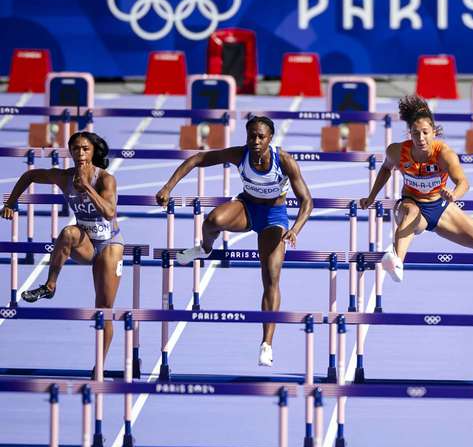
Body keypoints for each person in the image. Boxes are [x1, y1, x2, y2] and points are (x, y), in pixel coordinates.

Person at [155, 116, 313, 367]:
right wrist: (167, 187)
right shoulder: (240, 154)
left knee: (271, 276)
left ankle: (266, 344)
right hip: (247, 207)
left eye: (261, 137)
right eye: (252, 136)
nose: (256, 141)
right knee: (212, 220)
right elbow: (197, 159)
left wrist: (296, 228)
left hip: (274, 217)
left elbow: (307, 201)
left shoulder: (284, 160)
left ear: (271, 138)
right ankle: (205, 249)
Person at [1, 131, 124, 360]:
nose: (80, 153)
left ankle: (99, 364)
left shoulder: (105, 179)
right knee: (67, 232)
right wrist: (10, 203)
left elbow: (109, 213)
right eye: (75, 148)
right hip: (84, 241)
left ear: (93, 151)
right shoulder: (64, 177)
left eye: (85, 148)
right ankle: (49, 286)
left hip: (109, 245)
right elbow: (29, 176)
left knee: (104, 309)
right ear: (70, 151)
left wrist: (87, 187)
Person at [359, 95, 473, 281]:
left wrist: (453, 194)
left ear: (434, 132)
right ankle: (396, 259)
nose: (420, 138)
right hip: (410, 205)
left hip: (441, 208)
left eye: (425, 132)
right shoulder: (396, 151)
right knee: (410, 211)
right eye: (415, 133)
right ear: (409, 134)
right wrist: (372, 196)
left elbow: (463, 182)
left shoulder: (444, 154)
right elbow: (386, 168)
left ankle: (395, 252)